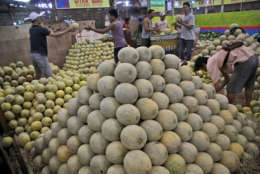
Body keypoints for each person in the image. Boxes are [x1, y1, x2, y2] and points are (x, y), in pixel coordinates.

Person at [194, 41, 258, 106]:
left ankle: (227, 107)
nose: (204, 72)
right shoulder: (217, 59)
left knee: (230, 89)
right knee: (249, 85)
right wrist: (225, 82)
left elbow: (216, 88)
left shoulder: (210, 64)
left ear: (203, 65)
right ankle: (247, 105)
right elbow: (227, 78)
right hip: (253, 57)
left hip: (245, 62)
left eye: (202, 70)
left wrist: (208, 92)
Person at [27, 12, 72, 79]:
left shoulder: (31, 29)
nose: (41, 19)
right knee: (49, 75)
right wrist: (68, 30)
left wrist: (57, 30)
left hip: (33, 55)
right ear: (36, 19)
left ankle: (36, 86)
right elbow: (55, 35)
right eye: (39, 18)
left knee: (38, 74)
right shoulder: (40, 29)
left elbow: (49, 32)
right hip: (40, 55)